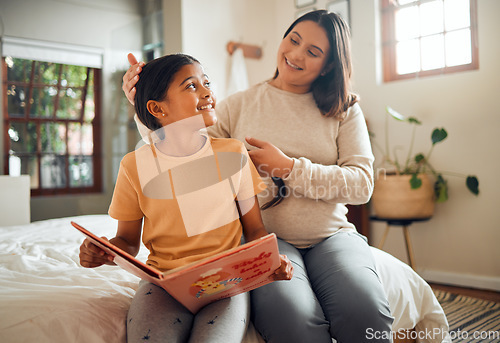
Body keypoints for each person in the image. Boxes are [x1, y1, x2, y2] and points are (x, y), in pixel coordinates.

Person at [122, 10, 394, 343]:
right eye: (293, 40)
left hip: (331, 237)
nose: (295, 54)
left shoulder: (344, 109)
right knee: (293, 320)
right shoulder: (238, 106)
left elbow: (362, 184)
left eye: (313, 51)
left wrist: (289, 169)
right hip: (263, 240)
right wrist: (142, 104)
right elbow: (178, 153)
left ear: (329, 66)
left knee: (366, 312)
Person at [80, 53, 293, 343]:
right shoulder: (134, 166)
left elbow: (254, 229)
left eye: (206, 83)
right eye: (191, 86)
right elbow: (127, 241)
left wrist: (269, 261)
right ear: (157, 108)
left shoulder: (233, 153)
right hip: (163, 285)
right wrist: (105, 252)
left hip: (226, 284)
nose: (207, 92)